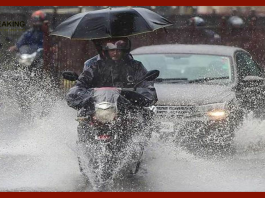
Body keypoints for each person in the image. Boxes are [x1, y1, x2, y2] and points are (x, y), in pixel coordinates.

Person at [66, 37, 157, 111]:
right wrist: (84, 96)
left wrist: (130, 94)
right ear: (105, 50)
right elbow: (81, 84)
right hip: (98, 109)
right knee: (83, 120)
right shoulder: (95, 67)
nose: (115, 53)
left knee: (143, 118)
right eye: (112, 50)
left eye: (119, 50)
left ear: (124, 50)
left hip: (127, 109)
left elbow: (147, 88)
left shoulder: (136, 67)